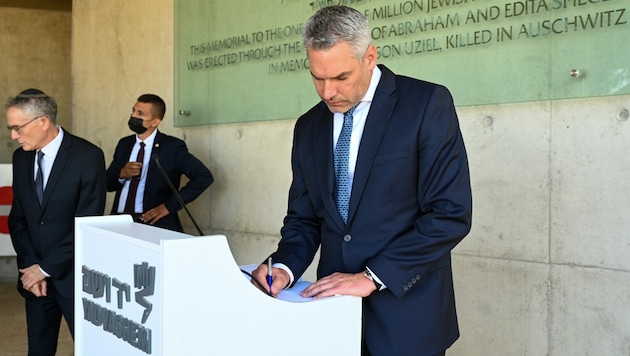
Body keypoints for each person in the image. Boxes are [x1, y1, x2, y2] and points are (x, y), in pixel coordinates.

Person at [251, 6, 472, 356]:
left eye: (340, 77)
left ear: (369, 57)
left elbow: (449, 214)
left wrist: (371, 277)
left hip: (407, 319)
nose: (327, 92)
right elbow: (305, 219)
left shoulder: (427, 104)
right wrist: (284, 267)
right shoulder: (308, 126)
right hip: (332, 316)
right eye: (317, 77)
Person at [6, 88, 107, 356]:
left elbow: (88, 223)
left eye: (17, 128)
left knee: (90, 350)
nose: (13, 136)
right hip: (34, 281)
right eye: (11, 128)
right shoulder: (21, 157)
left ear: (43, 121)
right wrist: (31, 268)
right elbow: (19, 219)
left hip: (73, 278)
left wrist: (46, 268)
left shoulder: (88, 156)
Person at [106, 94, 213, 232]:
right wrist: (121, 173)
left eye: (140, 113)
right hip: (120, 222)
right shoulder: (124, 144)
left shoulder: (171, 147)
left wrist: (168, 206)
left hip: (154, 225)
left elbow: (203, 176)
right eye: (133, 111)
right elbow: (107, 184)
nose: (134, 116)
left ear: (155, 122)